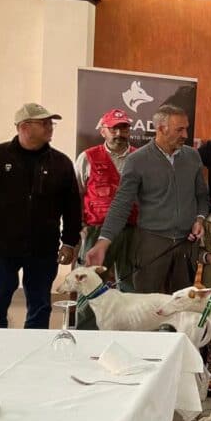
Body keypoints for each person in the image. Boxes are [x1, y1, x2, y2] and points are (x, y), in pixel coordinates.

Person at [0, 103, 80, 328]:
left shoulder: (61, 162)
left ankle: (33, 359)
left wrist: (69, 241)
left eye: (51, 123)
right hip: (0, 247)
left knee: (40, 309)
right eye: (45, 123)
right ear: (25, 127)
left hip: (43, 249)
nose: (50, 127)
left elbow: (72, 206)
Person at [85, 104, 209, 294]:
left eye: (186, 128)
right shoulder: (137, 160)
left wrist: (199, 219)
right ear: (161, 129)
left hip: (186, 245)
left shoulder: (193, 156)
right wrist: (103, 242)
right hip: (151, 245)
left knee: (183, 307)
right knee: (146, 307)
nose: (185, 134)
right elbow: (121, 204)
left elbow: (202, 196)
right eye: (180, 129)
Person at [74, 109, 138, 296]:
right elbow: (76, 193)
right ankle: (87, 326)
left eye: (124, 129)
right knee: (90, 285)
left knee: (130, 285)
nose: (119, 134)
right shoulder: (87, 157)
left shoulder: (140, 157)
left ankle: (125, 325)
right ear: (103, 131)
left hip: (131, 230)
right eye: (114, 129)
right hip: (96, 231)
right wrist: (81, 226)